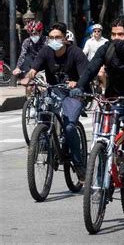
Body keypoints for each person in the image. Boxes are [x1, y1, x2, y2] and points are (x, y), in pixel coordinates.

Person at [71, 15, 124, 171]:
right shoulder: (106, 49)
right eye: (114, 34)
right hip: (112, 98)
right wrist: (80, 87)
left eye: (121, 34)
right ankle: (98, 180)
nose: (116, 38)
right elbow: (91, 68)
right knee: (103, 137)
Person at [20, 22, 89, 181]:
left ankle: (79, 165)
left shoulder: (76, 53)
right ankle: (44, 140)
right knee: (43, 110)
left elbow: (85, 76)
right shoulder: (45, 51)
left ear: (65, 39)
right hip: (54, 91)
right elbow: (33, 69)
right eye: (51, 37)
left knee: (70, 126)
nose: (54, 40)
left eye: (58, 37)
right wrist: (27, 78)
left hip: (74, 93)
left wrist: (77, 84)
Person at [83, 24, 109, 91]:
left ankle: (104, 90)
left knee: (101, 74)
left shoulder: (105, 41)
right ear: (93, 32)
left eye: (98, 31)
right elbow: (85, 52)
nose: (97, 32)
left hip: (102, 64)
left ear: (101, 32)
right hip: (91, 63)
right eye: (95, 31)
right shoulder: (89, 41)